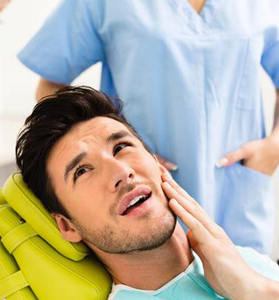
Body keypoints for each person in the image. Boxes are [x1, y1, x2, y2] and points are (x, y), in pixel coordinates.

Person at [17, 0, 279, 254]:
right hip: (144, 193)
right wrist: (119, 150)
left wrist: (273, 148)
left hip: (238, 188)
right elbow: (49, 88)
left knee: (250, 281)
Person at [16, 86, 279, 300]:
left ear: (156, 163)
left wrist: (253, 286)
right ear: (67, 225)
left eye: (121, 147)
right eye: (82, 171)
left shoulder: (243, 262)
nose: (120, 171)